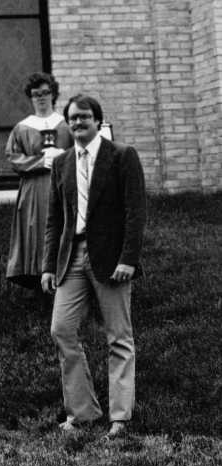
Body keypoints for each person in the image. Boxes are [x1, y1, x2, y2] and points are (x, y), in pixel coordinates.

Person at [41, 94, 146, 439]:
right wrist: (48, 265)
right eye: (72, 119)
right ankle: (83, 411)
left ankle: (120, 417)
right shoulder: (62, 162)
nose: (77, 123)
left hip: (112, 258)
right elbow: (55, 219)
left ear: (98, 121)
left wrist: (128, 259)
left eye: (84, 117)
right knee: (62, 329)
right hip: (71, 257)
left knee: (119, 336)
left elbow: (135, 212)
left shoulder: (121, 156)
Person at [5, 72, 73, 290]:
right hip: (35, 186)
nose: (41, 98)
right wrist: (40, 161)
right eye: (36, 94)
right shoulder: (23, 127)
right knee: (38, 228)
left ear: (53, 95)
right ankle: (38, 279)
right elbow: (13, 158)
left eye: (46, 93)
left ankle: (68, 275)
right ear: (30, 98)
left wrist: (63, 157)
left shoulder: (66, 125)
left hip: (63, 183)